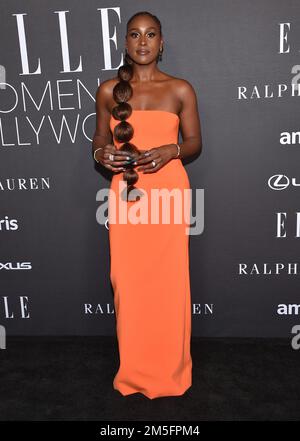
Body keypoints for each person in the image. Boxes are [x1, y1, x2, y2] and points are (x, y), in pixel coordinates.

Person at [92, 10, 202, 399]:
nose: (142, 42)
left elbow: (194, 143)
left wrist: (172, 150)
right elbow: (99, 140)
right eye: (135, 35)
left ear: (161, 42)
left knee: (170, 284)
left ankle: (170, 371)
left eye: (150, 34)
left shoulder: (181, 89)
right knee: (128, 283)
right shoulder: (108, 91)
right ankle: (135, 371)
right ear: (124, 43)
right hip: (127, 194)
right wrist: (104, 155)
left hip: (169, 194)